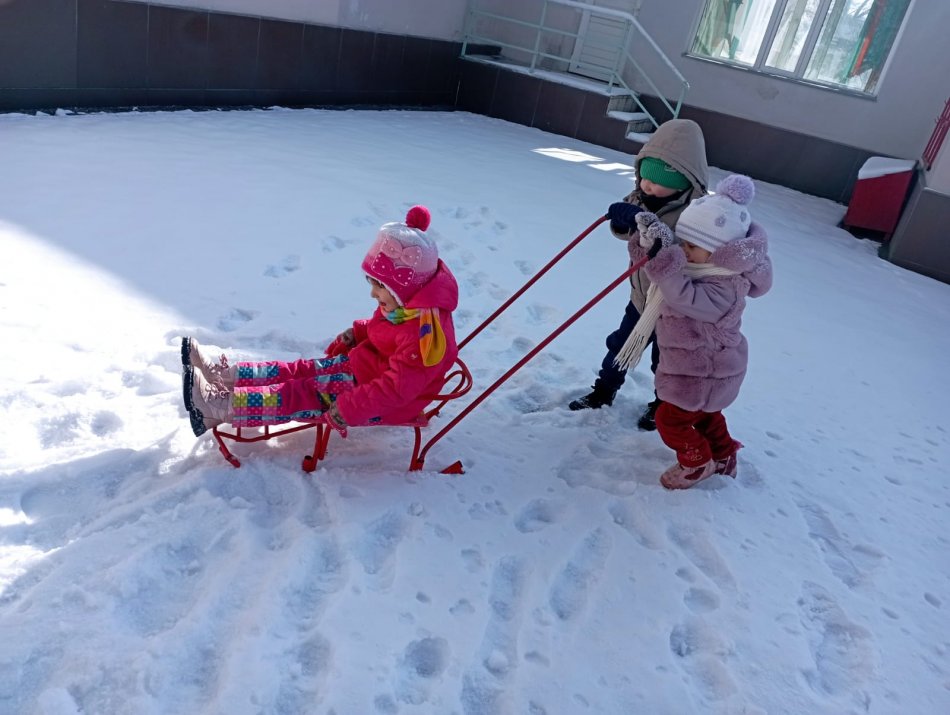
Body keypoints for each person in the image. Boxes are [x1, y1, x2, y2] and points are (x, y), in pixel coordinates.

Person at [180, 205, 460, 438]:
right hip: (362, 368)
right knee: (297, 370)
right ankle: (225, 376)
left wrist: (349, 407)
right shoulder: (408, 308)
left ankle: (218, 407)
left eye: (379, 287)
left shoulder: (426, 338)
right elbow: (386, 333)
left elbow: (395, 389)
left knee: (296, 394)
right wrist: (361, 332)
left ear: (405, 289)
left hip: (373, 397)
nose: (373, 294)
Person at [618, 175, 772, 489]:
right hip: (698, 369)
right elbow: (667, 268)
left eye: (692, 246)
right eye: (682, 243)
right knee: (705, 416)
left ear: (718, 252)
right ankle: (725, 453)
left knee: (670, 419)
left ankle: (696, 461)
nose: (683, 252)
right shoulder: (700, 267)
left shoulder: (725, 287)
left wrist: (664, 260)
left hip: (705, 372)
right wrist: (652, 243)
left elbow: (682, 295)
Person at [569, 119, 709, 431]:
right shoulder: (640, 197)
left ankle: (661, 406)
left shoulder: (698, 215)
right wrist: (623, 220)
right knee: (620, 346)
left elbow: (685, 254)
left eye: (657, 181)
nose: (647, 186)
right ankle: (603, 390)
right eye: (644, 176)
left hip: (675, 308)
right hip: (640, 297)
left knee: (666, 361)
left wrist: (657, 234)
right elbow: (626, 234)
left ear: (685, 181)